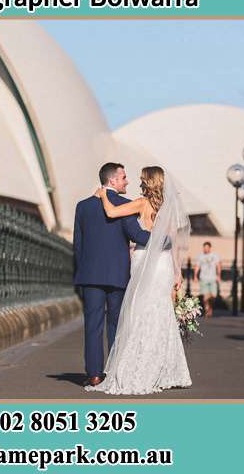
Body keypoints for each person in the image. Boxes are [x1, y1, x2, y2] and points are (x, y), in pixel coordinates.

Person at [85, 166, 192, 395]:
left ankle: (140, 366)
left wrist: (104, 195)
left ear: (148, 181)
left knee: (139, 312)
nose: (138, 181)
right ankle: (163, 369)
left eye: (142, 178)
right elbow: (171, 241)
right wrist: (177, 271)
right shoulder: (168, 206)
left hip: (145, 260)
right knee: (161, 311)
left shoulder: (142, 203)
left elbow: (112, 213)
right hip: (163, 263)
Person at [73, 163, 151, 387]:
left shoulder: (83, 206)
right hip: (117, 274)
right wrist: (163, 239)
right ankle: (115, 371)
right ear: (113, 181)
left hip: (90, 275)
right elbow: (135, 234)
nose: (127, 181)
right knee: (116, 324)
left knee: (92, 325)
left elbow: (78, 244)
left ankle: (95, 374)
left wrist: (82, 271)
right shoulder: (125, 205)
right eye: (124, 177)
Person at [194, 241, 221, 318]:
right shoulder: (200, 256)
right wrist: (195, 276)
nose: (205, 249)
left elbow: (218, 266)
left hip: (213, 278)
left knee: (214, 295)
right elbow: (197, 266)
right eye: (204, 248)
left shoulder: (215, 256)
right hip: (204, 278)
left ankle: (210, 307)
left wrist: (219, 276)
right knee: (205, 297)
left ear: (210, 248)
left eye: (207, 248)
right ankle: (207, 310)